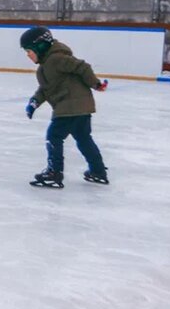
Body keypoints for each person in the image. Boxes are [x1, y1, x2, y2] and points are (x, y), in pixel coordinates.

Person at [21, 26, 110, 189]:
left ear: (40, 46)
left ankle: (54, 172)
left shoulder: (56, 59)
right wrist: (34, 102)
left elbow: (82, 67)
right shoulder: (46, 66)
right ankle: (98, 171)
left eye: (29, 50)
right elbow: (46, 89)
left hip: (69, 106)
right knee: (84, 139)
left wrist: (95, 84)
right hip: (81, 106)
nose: (28, 55)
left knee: (54, 136)